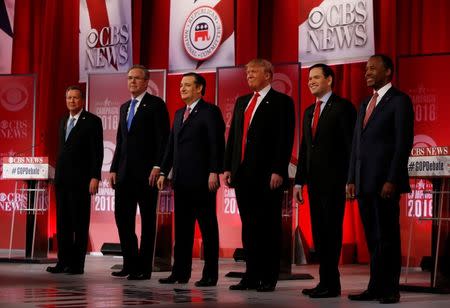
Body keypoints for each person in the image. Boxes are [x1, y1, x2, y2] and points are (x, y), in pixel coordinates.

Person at [346, 54, 414, 304]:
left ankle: (390, 289)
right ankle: (375, 286)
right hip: (364, 182)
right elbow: (356, 144)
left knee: (387, 237)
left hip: (385, 182)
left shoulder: (399, 101)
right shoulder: (365, 103)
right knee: (373, 238)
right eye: (366, 69)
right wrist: (351, 177)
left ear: (388, 72)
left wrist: (392, 179)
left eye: (373, 68)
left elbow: (402, 143)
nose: (367, 72)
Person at [224, 58, 295, 292]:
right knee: (249, 226)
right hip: (243, 174)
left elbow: (284, 138)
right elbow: (234, 137)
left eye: (253, 71)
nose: (249, 75)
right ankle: (251, 275)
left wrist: (278, 169)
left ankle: (269, 276)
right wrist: (228, 166)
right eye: (247, 72)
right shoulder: (243, 102)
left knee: (269, 227)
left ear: (268, 75)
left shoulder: (281, 102)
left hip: (267, 175)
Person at [157, 72, 225, 287]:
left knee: (207, 228)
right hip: (181, 181)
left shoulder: (210, 112)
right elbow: (170, 146)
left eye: (187, 85)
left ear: (199, 89)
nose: (182, 88)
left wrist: (214, 171)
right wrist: (162, 171)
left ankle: (210, 275)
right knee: (183, 229)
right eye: (181, 85)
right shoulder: (178, 114)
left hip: (203, 181)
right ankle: (180, 272)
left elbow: (216, 143)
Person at [294, 64, 356, 298]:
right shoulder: (310, 111)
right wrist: (299, 182)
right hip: (314, 184)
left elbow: (351, 147)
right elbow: (305, 149)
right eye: (309, 78)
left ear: (329, 80)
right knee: (319, 234)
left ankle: (333, 284)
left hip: (335, 181)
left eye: (316, 77)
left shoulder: (343, 108)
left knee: (331, 233)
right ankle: (324, 282)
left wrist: (351, 179)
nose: (311, 81)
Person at [109, 64, 170, 280]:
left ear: (146, 82)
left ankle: (144, 267)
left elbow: (163, 140)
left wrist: (158, 166)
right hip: (124, 174)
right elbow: (120, 141)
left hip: (147, 175)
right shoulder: (125, 107)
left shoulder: (156, 105)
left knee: (147, 221)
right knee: (122, 219)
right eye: (129, 78)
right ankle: (130, 263)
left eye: (136, 78)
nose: (132, 82)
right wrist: (114, 168)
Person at [47, 85, 103, 275]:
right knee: (62, 223)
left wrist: (95, 176)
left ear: (82, 100)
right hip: (62, 180)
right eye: (69, 98)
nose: (71, 101)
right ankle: (63, 262)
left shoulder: (92, 121)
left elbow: (97, 152)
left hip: (81, 181)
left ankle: (77, 265)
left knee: (79, 223)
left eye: (75, 98)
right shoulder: (63, 120)